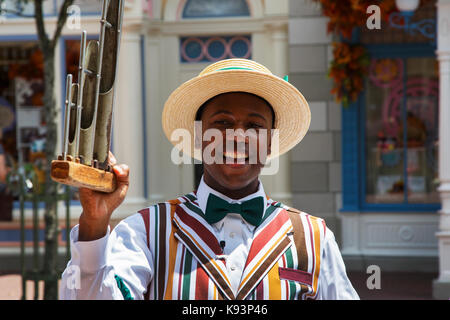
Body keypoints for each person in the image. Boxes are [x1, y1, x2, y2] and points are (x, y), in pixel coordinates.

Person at [60, 58, 359, 300]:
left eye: (254, 126)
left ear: (269, 144)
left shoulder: (313, 238)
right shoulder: (146, 232)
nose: (238, 137)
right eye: (222, 123)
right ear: (200, 137)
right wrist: (94, 223)